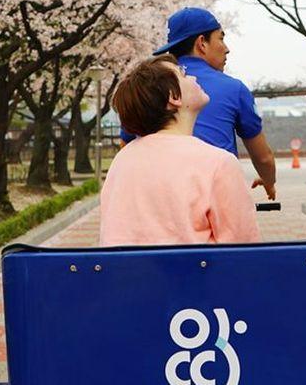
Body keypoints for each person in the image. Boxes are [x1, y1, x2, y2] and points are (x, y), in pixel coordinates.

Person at [100, 54, 261, 246]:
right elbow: (243, 251)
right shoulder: (218, 163)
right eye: (183, 75)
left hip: (124, 274)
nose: (193, 77)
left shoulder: (122, 161)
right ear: (173, 97)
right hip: (196, 275)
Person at [120, 7, 278, 199]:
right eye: (220, 38)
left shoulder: (147, 86)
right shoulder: (233, 88)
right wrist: (269, 181)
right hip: (216, 195)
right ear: (202, 43)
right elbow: (263, 157)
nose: (227, 48)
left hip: (159, 197)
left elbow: (126, 145)